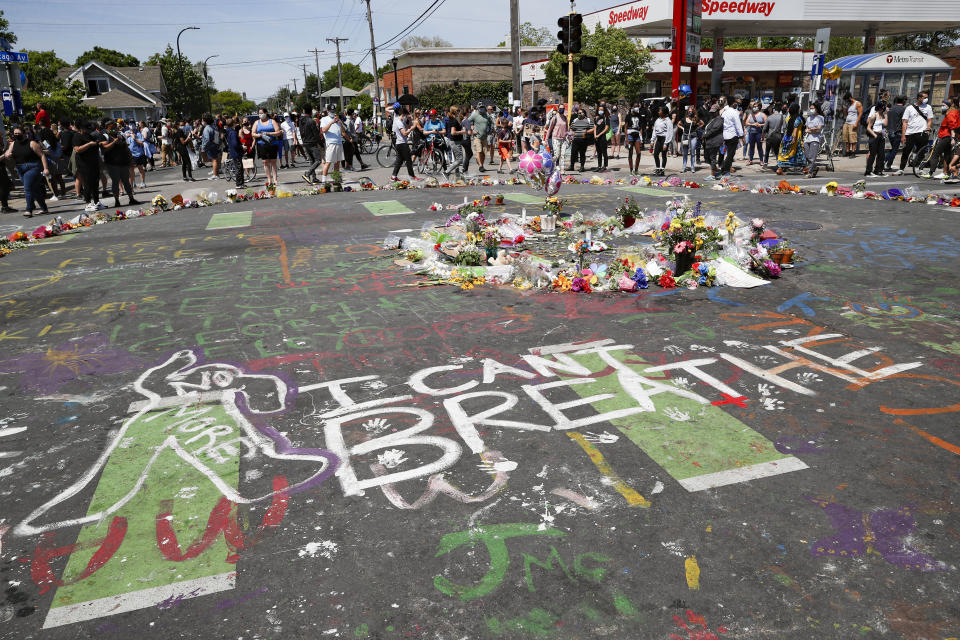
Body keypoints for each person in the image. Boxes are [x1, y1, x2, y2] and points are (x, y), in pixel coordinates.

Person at [3, 124, 51, 218]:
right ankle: (44, 208)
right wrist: (7, 154)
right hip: (20, 169)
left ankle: (29, 209)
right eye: (15, 133)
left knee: (27, 188)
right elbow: (7, 152)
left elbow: (42, 155)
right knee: (35, 189)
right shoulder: (13, 144)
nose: (16, 135)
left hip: (33, 167)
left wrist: (46, 168)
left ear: (24, 133)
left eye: (18, 133)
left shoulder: (32, 143)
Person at [100, 120, 141, 207]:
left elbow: (126, 148)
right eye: (112, 126)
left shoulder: (121, 135)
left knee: (126, 181)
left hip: (123, 162)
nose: (114, 128)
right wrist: (114, 141)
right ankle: (117, 201)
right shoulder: (104, 136)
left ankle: (131, 198)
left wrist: (130, 159)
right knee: (115, 181)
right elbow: (104, 148)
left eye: (115, 126)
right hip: (112, 163)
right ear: (107, 128)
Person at [894, 92, 933, 175]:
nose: (926, 99)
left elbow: (930, 120)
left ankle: (920, 169)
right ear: (919, 98)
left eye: (927, 97)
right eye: (924, 97)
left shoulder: (928, 107)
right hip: (910, 133)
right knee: (906, 151)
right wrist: (903, 135)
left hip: (922, 133)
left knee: (922, 151)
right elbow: (904, 122)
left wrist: (928, 129)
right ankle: (901, 169)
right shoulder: (909, 108)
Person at [74, 121, 104, 211]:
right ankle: (87, 204)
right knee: (87, 183)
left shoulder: (89, 136)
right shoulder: (77, 136)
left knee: (95, 183)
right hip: (84, 164)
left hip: (94, 162)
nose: (88, 130)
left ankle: (96, 202)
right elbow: (77, 149)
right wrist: (89, 144)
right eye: (87, 128)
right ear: (81, 128)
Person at [927, 98, 959, 179]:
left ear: (948, 106)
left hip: (946, 136)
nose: (942, 107)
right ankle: (947, 173)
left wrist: (952, 138)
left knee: (935, 153)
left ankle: (930, 172)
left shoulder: (950, 114)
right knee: (947, 155)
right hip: (947, 136)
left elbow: (952, 127)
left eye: (943, 105)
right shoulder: (953, 112)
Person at [776, 103, 806, 175]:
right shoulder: (798, 118)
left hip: (786, 137)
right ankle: (805, 168)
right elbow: (795, 129)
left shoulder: (788, 118)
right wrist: (794, 139)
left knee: (785, 153)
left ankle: (780, 168)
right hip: (795, 138)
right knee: (798, 153)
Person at [253, 108, 281, 187]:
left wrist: (269, 133)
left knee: (273, 161)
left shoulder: (272, 121)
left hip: (272, 144)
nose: (260, 115)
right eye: (259, 113)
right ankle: (269, 179)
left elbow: (278, 132)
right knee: (265, 162)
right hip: (262, 144)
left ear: (266, 113)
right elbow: (253, 133)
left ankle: (275, 179)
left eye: (262, 113)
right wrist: (259, 135)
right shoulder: (257, 122)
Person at [390, 106, 418, 181]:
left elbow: (408, 126)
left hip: (400, 143)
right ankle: (412, 176)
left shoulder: (400, 121)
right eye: (405, 115)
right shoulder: (399, 122)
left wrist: (410, 120)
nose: (405, 117)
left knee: (399, 161)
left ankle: (393, 176)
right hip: (402, 144)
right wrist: (411, 129)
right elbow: (404, 133)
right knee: (408, 160)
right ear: (402, 114)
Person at [719, 97, 745, 177]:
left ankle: (723, 168)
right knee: (730, 154)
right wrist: (742, 136)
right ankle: (725, 170)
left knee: (726, 153)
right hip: (732, 135)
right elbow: (738, 125)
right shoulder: (734, 112)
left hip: (725, 135)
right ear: (733, 103)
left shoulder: (724, 112)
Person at [298, 108, 323, 184]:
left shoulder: (301, 121)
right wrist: (321, 144)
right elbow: (316, 134)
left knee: (312, 161)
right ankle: (307, 174)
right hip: (312, 143)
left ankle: (314, 178)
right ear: (310, 112)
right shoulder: (311, 121)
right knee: (318, 160)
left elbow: (300, 132)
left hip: (305, 143)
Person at [319, 109, 344, 184]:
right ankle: (324, 180)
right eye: (331, 111)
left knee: (337, 163)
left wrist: (341, 124)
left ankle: (336, 179)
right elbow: (323, 130)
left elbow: (342, 131)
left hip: (339, 142)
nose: (333, 113)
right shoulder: (324, 119)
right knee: (328, 162)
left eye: (333, 111)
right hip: (331, 143)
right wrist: (331, 122)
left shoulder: (337, 119)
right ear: (328, 111)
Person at [864, 101, 888, 177]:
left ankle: (878, 170)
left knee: (881, 154)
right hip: (874, 135)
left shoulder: (883, 115)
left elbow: (885, 124)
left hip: (881, 135)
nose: (885, 109)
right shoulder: (874, 116)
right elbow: (868, 128)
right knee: (872, 154)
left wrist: (886, 115)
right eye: (884, 107)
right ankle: (868, 171)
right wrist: (874, 135)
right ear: (881, 108)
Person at [884, 96, 906, 172]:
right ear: (903, 101)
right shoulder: (903, 109)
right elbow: (904, 121)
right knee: (894, 150)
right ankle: (887, 165)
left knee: (891, 149)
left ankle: (884, 162)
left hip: (889, 131)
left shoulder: (891, 108)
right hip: (897, 132)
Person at [803, 102, 825, 178]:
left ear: (816, 108)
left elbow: (818, 129)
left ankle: (810, 172)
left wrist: (811, 130)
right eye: (811, 108)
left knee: (812, 157)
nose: (811, 110)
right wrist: (812, 129)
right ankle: (814, 167)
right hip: (807, 139)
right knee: (807, 156)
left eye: (813, 108)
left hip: (815, 139)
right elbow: (806, 129)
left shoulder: (820, 117)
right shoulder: (809, 118)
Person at [444, 105, 466, 177]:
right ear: (455, 112)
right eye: (458, 111)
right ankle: (446, 172)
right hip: (455, 142)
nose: (459, 112)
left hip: (455, 141)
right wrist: (462, 131)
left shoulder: (453, 119)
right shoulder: (453, 120)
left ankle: (457, 175)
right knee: (459, 159)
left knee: (457, 159)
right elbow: (453, 132)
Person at [546, 106, 570, 172]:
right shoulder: (555, 118)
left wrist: (569, 136)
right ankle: (548, 163)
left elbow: (567, 129)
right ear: (558, 109)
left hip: (563, 139)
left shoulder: (565, 118)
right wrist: (546, 139)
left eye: (563, 108)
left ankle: (562, 169)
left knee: (563, 154)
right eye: (560, 108)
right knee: (557, 155)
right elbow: (550, 129)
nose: (561, 109)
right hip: (556, 138)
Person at [125, 123, 149, 188]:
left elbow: (141, 143)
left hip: (138, 154)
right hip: (130, 154)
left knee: (140, 168)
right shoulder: (126, 133)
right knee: (131, 170)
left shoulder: (138, 133)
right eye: (130, 123)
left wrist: (135, 138)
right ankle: (133, 183)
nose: (131, 125)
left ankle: (142, 183)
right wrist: (126, 137)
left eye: (133, 124)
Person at [679, 106, 702, 173]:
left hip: (693, 137)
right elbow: (679, 124)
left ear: (693, 112)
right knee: (685, 153)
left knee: (692, 152)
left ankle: (692, 167)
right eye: (689, 111)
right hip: (685, 136)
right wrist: (683, 128)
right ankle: (684, 166)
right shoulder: (684, 119)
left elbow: (702, 123)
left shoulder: (695, 119)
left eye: (691, 111)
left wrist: (697, 128)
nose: (690, 112)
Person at [200, 113, 221, 180]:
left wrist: (204, 147)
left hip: (210, 145)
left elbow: (207, 139)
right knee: (216, 159)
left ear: (205, 120)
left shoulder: (207, 128)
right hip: (216, 144)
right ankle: (216, 174)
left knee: (214, 160)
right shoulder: (214, 126)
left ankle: (215, 175)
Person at [841, 92, 862, 157]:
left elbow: (860, 113)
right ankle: (847, 151)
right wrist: (844, 109)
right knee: (846, 137)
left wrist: (856, 123)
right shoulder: (849, 104)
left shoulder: (857, 103)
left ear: (850, 98)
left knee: (852, 138)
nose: (846, 101)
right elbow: (845, 114)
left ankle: (853, 152)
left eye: (847, 99)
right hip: (847, 122)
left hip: (853, 123)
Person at [651, 107, 671, 176]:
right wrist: (652, 140)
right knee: (655, 154)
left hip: (664, 139)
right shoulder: (658, 120)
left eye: (660, 111)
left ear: (664, 112)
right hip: (658, 138)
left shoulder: (668, 121)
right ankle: (658, 168)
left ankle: (662, 170)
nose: (658, 112)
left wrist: (666, 143)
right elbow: (654, 130)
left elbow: (669, 132)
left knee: (663, 155)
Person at [592, 105, 610, 171]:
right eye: (599, 110)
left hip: (602, 137)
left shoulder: (606, 118)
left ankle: (605, 166)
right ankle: (599, 166)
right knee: (598, 152)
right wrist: (595, 135)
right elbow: (595, 127)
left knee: (604, 152)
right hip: (596, 138)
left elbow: (606, 128)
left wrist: (599, 134)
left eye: (602, 110)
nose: (600, 111)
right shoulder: (597, 118)